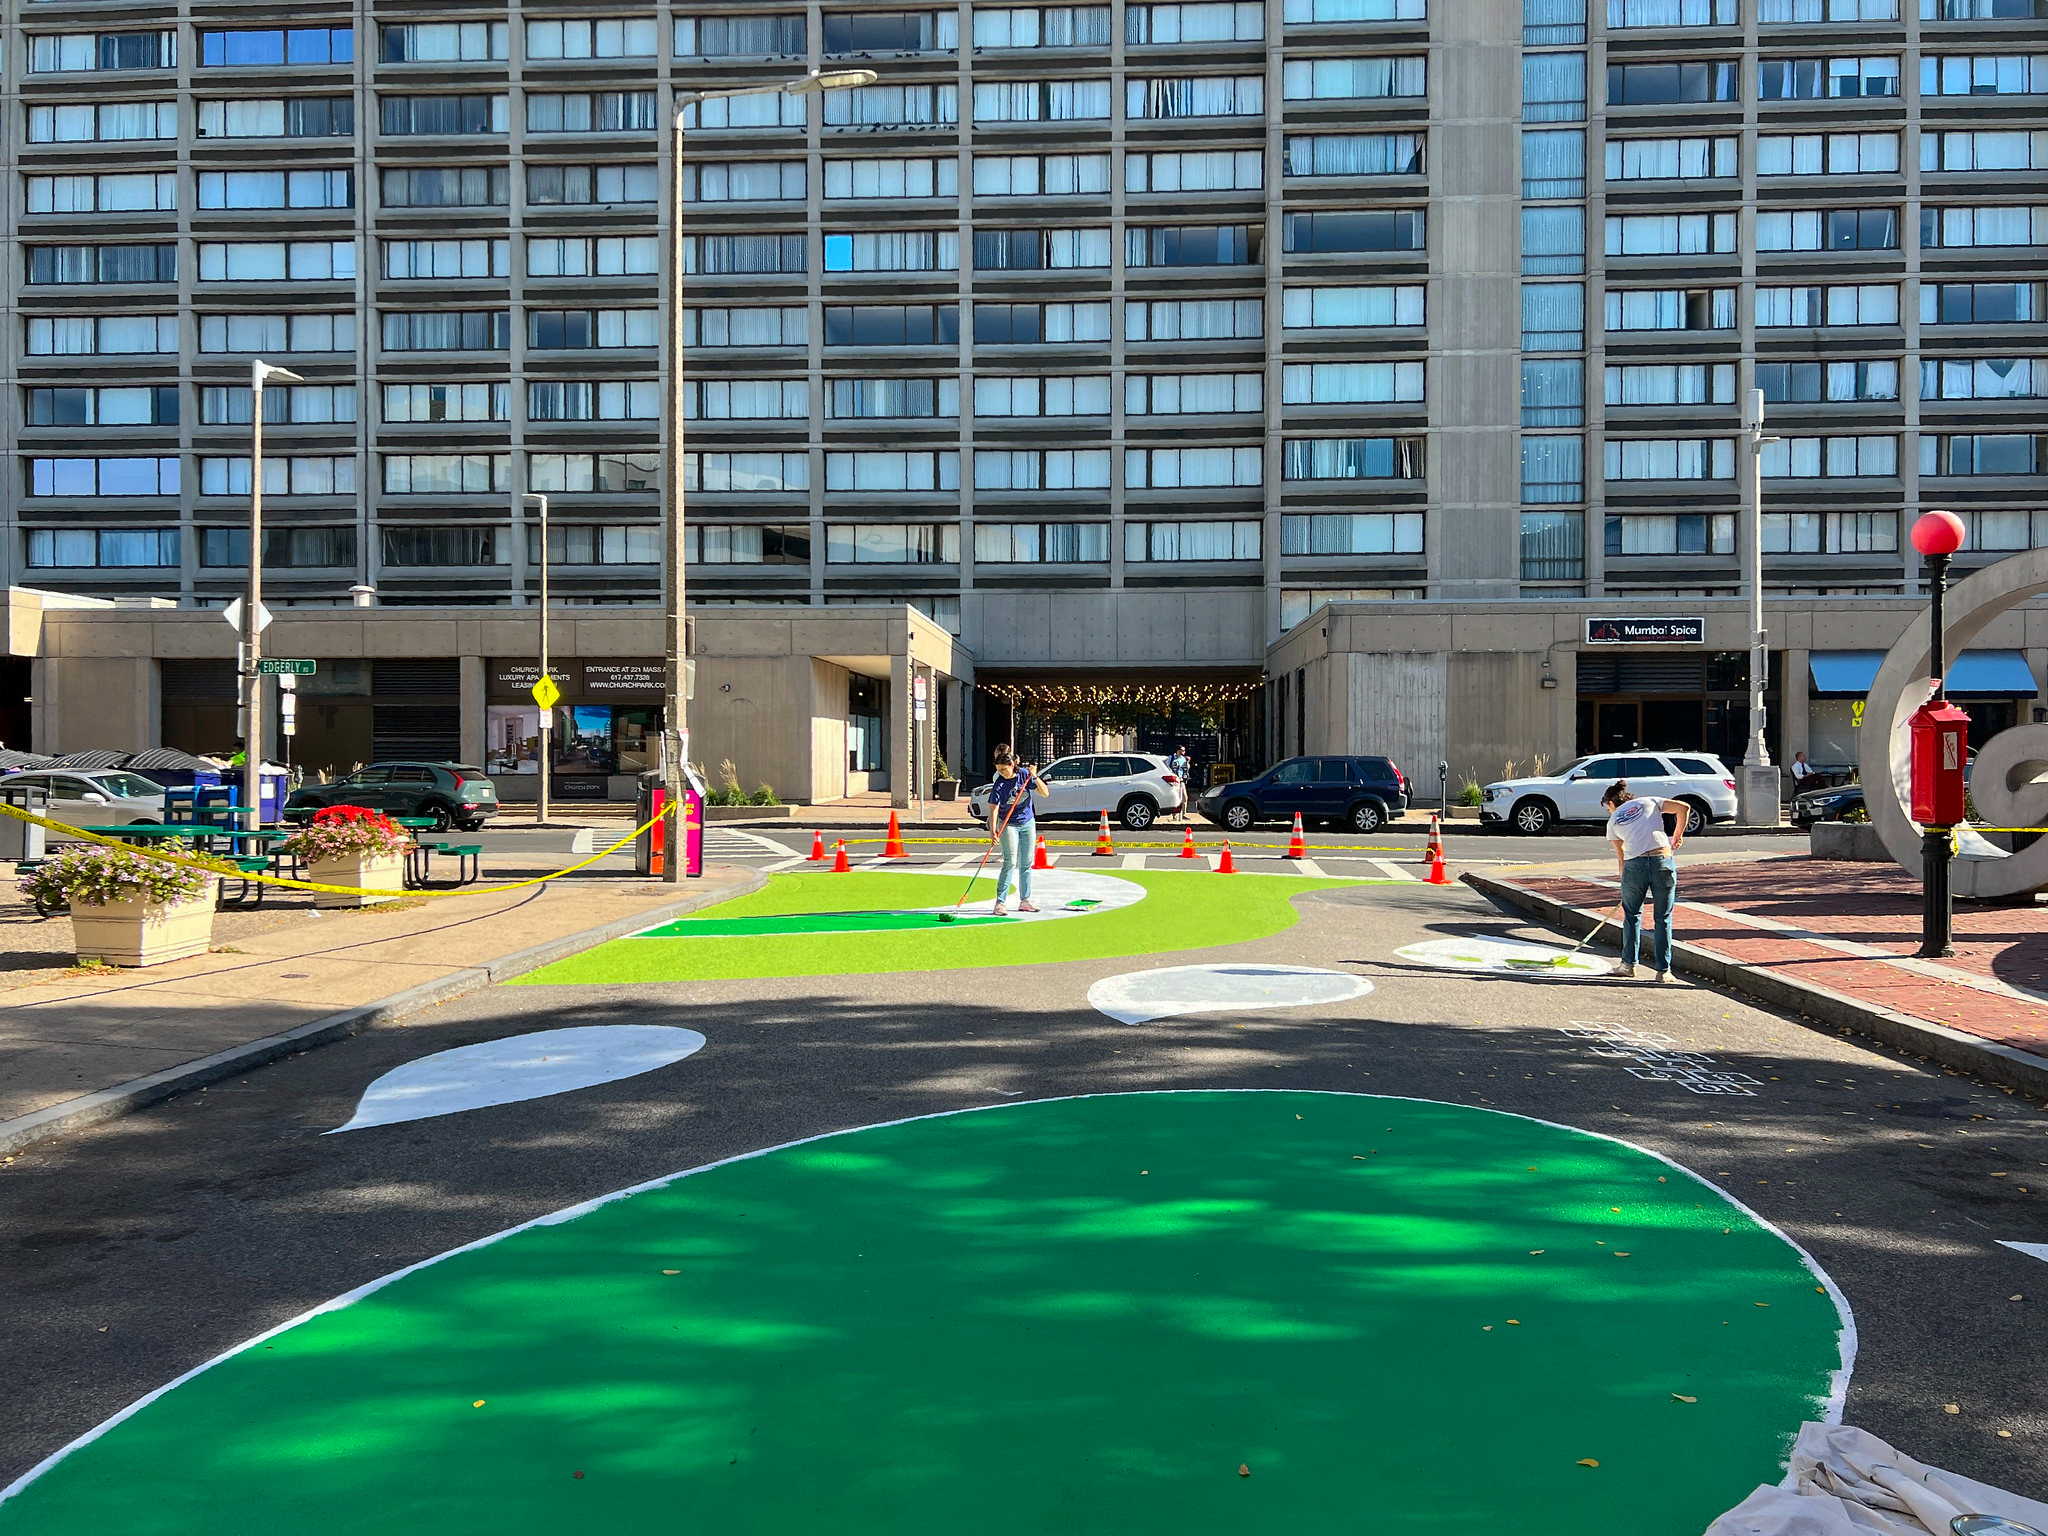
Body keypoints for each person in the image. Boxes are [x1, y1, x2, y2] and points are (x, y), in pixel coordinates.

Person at [1604, 778, 1685, 982]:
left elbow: (1622, 858)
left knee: (1632, 915)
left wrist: (1624, 882)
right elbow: (1684, 807)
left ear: (1611, 803)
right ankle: (1663, 971)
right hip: (1662, 861)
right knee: (1663, 917)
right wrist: (1677, 834)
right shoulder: (1650, 801)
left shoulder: (1613, 821)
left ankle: (1628, 965)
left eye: (1607, 808)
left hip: (1634, 865)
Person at [985, 745, 1049, 915]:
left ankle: (1025, 900)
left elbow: (1045, 793)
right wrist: (993, 831)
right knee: (1009, 862)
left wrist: (1035, 776)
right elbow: (994, 809)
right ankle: (1000, 903)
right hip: (1009, 825)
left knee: (1027, 862)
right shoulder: (999, 783)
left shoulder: (1024, 775)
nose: (1001, 773)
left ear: (1012, 765)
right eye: (998, 770)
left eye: (1004, 769)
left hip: (1028, 822)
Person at [1169, 745, 1192, 818]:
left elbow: (1186, 768)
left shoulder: (1183, 759)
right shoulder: (1171, 758)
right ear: (1178, 751)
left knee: (1184, 796)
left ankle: (1183, 813)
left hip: (1181, 780)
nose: (1184, 752)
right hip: (1174, 780)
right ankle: (1174, 814)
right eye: (1182, 750)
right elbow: (1167, 767)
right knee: (1174, 796)